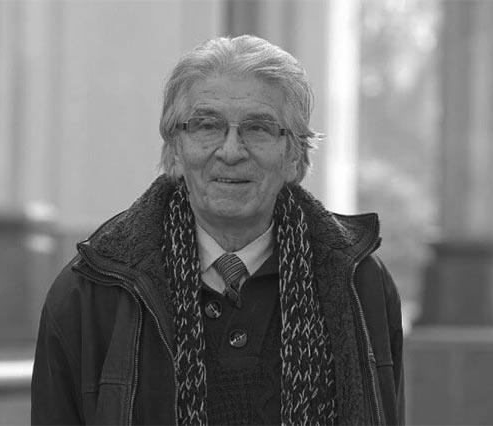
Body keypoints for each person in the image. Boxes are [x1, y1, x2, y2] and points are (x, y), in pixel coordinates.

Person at [31, 35, 404, 425]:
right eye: (207, 126)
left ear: (294, 156)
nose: (231, 151)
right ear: (175, 149)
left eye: (258, 128)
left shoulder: (361, 285)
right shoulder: (91, 292)